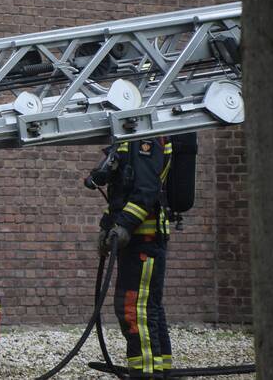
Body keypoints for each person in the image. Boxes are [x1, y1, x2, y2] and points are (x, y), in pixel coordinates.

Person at [98, 137, 173, 379]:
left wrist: (123, 225)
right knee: (148, 307)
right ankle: (158, 369)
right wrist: (106, 226)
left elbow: (147, 190)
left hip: (145, 240)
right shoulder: (128, 137)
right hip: (137, 241)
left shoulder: (145, 139)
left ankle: (146, 374)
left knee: (135, 308)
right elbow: (121, 192)